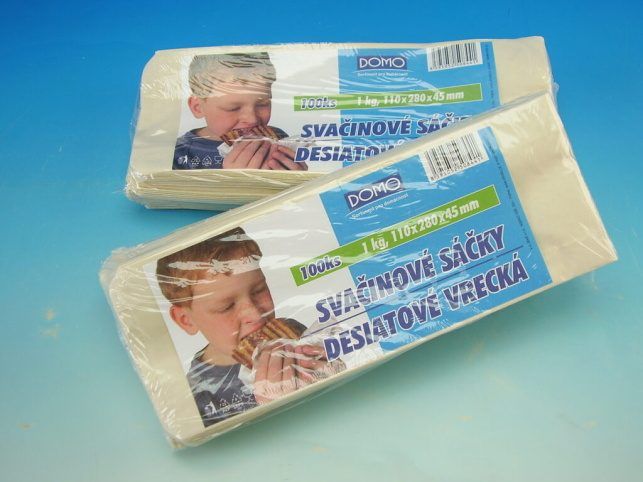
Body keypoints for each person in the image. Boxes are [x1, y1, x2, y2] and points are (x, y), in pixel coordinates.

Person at [155, 227, 337, 426]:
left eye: (258, 290)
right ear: (186, 320)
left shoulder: (290, 331)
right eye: (226, 307)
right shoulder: (198, 398)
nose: (255, 315)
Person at [173, 52, 306, 171]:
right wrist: (236, 181)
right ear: (197, 107)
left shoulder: (278, 137)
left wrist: (297, 176)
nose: (252, 119)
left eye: (262, 104)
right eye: (233, 108)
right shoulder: (179, 154)